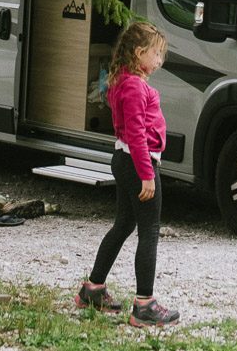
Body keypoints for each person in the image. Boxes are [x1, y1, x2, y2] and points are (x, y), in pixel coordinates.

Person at [76, 20, 179, 328]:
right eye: (156, 54)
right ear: (138, 53)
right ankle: (144, 306)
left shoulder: (122, 81)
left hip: (124, 159)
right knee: (149, 231)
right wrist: (147, 174)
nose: (159, 61)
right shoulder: (134, 86)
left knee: (123, 224)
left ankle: (93, 289)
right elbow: (136, 133)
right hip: (138, 161)